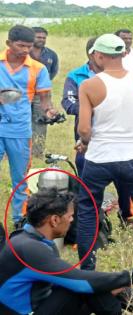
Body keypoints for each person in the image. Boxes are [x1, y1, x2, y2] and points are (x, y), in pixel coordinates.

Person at [0, 188, 133, 315]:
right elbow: (81, 283)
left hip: (41, 303)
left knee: (101, 284)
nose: (72, 220)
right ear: (55, 220)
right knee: (92, 286)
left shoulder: (29, 239)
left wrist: (118, 281)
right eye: (70, 216)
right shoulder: (30, 249)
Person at [75, 34, 133, 270]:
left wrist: (86, 140)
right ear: (124, 53)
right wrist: (132, 127)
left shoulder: (89, 85)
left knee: (88, 211)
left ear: (97, 55)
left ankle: (87, 269)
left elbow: (84, 128)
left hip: (99, 159)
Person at [61, 37, 133, 227]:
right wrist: (95, 108)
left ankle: (126, 215)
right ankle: (92, 219)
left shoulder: (123, 76)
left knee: (124, 177)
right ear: (94, 54)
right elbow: (68, 103)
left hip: (117, 137)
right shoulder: (76, 76)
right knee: (86, 176)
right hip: (87, 138)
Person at [0, 25, 57, 227]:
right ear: (9, 43)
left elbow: (44, 100)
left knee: (20, 179)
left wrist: (50, 111)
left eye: (28, 46)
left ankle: (19, 220)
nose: (25, 50)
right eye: (20, 45)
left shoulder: (38, 69)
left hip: (20, 131)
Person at [29, 27, 59, 158]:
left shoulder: (51, 55)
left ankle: (37, 153)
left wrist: (42, 86)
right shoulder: (24, 52)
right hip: (23, 92)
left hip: (42, 94)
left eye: (44, 37)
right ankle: (16, 151)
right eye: (38, 37)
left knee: (41, 122)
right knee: (21, 120)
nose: (41, 40)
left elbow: (53, 72)